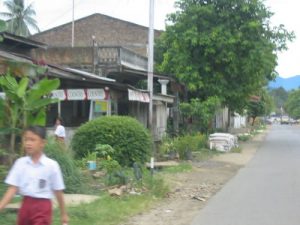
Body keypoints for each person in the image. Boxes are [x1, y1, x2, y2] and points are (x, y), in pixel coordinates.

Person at [0, 126, 69, 225]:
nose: (28, 143)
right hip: (25, 206)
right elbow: (12, 189)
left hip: (43, 208)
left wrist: (64, 213)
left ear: (42, 143)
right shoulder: (20, 163)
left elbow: (58, 191)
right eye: (26, 139)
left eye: (32, 140)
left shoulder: (51, 165)